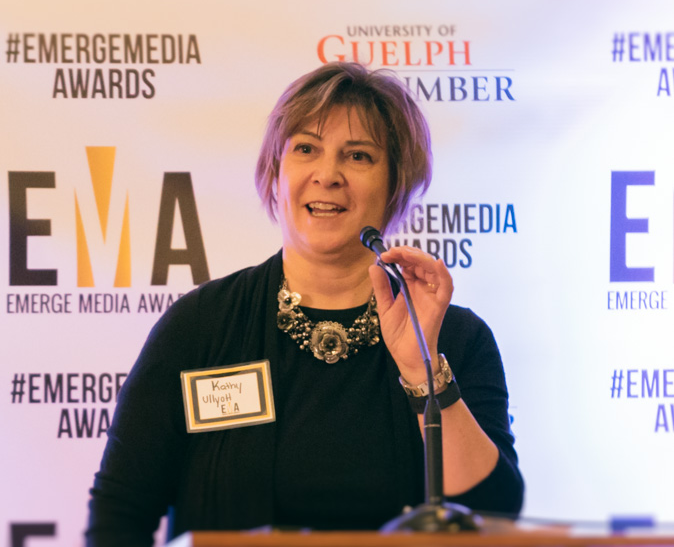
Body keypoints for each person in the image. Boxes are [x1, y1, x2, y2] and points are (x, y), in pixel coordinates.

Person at [86, 61, 523, 546]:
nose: (327, 174)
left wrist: (423, 372)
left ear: (395, 183)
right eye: (306, 149)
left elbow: (491, 515)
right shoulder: (201, 326)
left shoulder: (453, 338)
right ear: (276, 173)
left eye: (358, 156)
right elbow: (120, 512)